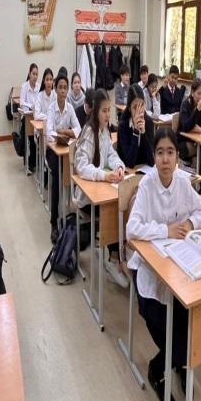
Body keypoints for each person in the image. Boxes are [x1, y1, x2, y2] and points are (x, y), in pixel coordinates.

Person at [127, 127, 201, 401]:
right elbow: (132, 229)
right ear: (153, 156)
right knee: (161, 321)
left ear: (177, 156)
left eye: (170, 152)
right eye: (160, 153)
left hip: (178, 268)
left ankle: (175, 361)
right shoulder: (147, 185)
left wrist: (189, 224)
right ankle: (165, 366)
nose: (165, 159)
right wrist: (165, 230)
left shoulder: (182, 181)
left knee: (187, 315)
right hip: (148, 270)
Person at [74, 89, 126, 287]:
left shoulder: (105, 131)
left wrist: (119, 167)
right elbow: (81, 167)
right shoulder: (89, 132)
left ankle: (117, 255)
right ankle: (112, 259)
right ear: (95, 111)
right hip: (87, 197)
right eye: (104, 111)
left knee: (124, 204)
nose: (107, 114)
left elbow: (111, 154)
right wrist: (104, 175)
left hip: (101, 190)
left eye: (109, 110)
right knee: (115, 210)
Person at [46, 74, 81, 242]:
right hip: (53, 151)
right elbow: (49, 133)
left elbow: (78, 130)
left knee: (76, 172)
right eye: (60, 87)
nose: (62, 90)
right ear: (55, 89)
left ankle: (72, 212)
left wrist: (64, 131)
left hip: (66, 150)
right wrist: (62, 133)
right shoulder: (51, 108)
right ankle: (54, 222)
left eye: (65, 88)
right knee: (57, 179)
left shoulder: (70, 108)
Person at [117, 85, 154, 169]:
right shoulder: (123, 126)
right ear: (129, 108)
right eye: (135, 107)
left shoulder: (149, 123)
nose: (139, 111)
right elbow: (130, 163)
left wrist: (143, 133)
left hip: (144, 171)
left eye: (142, 105)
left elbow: (151, 161)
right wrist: (136, 131)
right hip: (128, 172)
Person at [177, 78, 201, 161]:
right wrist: (197, 110)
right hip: (183, 140)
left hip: (196, 139)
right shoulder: (185, 104)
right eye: (198, 94)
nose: (200, 97)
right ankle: (199, 169)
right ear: (192, 93)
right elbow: (186, 127)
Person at [19, 63, 40, 172]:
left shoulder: (39, 86)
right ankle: (29, 163)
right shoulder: (24, 86)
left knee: (36, 140)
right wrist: (30, 106)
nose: (35, 76)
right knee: (29, 139)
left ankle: (35, 162)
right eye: (33, 74)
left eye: (36, 74)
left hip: (36, 117)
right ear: (29, 73)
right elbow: (21, 102)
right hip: (27, 117)